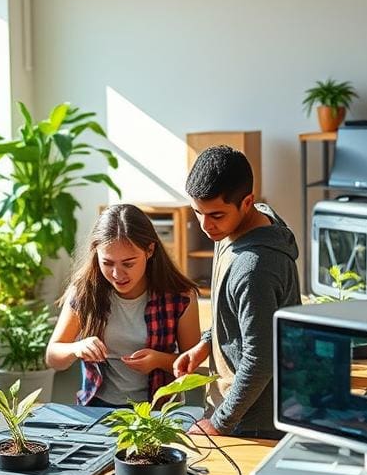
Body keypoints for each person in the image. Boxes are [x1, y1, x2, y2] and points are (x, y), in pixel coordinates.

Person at [175, 145, 301, 437]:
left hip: (254, 423)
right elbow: (235, 311)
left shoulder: (254, 267)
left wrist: (219, 423)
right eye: (198, 213)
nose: (205, 226)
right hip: (238, 412)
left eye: (216, 215)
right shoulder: (236, 227)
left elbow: (260, 358)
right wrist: (206, 343)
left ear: (247, 202)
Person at [46, 203, 201, 408]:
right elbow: (53, 357)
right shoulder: (84, 292)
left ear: (150, 250)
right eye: (108, 263)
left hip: (156, 413)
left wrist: (158, 360)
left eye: (128, 263)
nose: (117, 275)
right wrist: (77, 348)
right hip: (96, 409)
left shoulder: (180, 297)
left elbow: (193, 366)